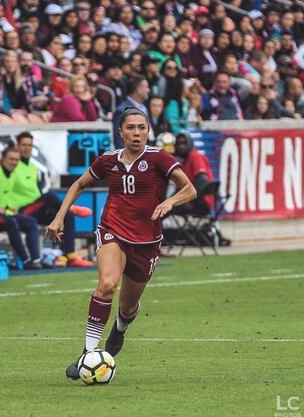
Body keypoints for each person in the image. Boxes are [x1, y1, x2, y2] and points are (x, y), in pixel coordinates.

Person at [45, 107, 196, 380]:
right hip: (112, 231)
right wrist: (59, 218)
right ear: (121, 131)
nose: (136, 133)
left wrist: (168, 202)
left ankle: (120, 328)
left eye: (141, 127)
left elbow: (189, 188)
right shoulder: (108, 161)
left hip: (147, 241)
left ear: (148, 131)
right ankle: (88, 353)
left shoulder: (159, 158)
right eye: (130, 128)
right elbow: (79, 184)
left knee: (127, 306)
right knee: (106, 285)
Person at [11, 132, 93, 268]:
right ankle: (70, 206)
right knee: (48, 197)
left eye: (29, 145)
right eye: (24, 145)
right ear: (17, 146)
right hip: (21, 211)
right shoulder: (12, 165)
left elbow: (35, 192)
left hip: (35, 209)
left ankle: (71, 256)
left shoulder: (33, 168)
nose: (27, 148)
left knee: (67, 215)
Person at [0, 142, 42, 270]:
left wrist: (8, 209)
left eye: (16, 159)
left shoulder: (12, 173)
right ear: (3, 158)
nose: (14, 162)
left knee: (30, 222)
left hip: (1, 213)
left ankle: (36, 259)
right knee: (10, 222)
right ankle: (25, 260)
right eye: (11, 159)